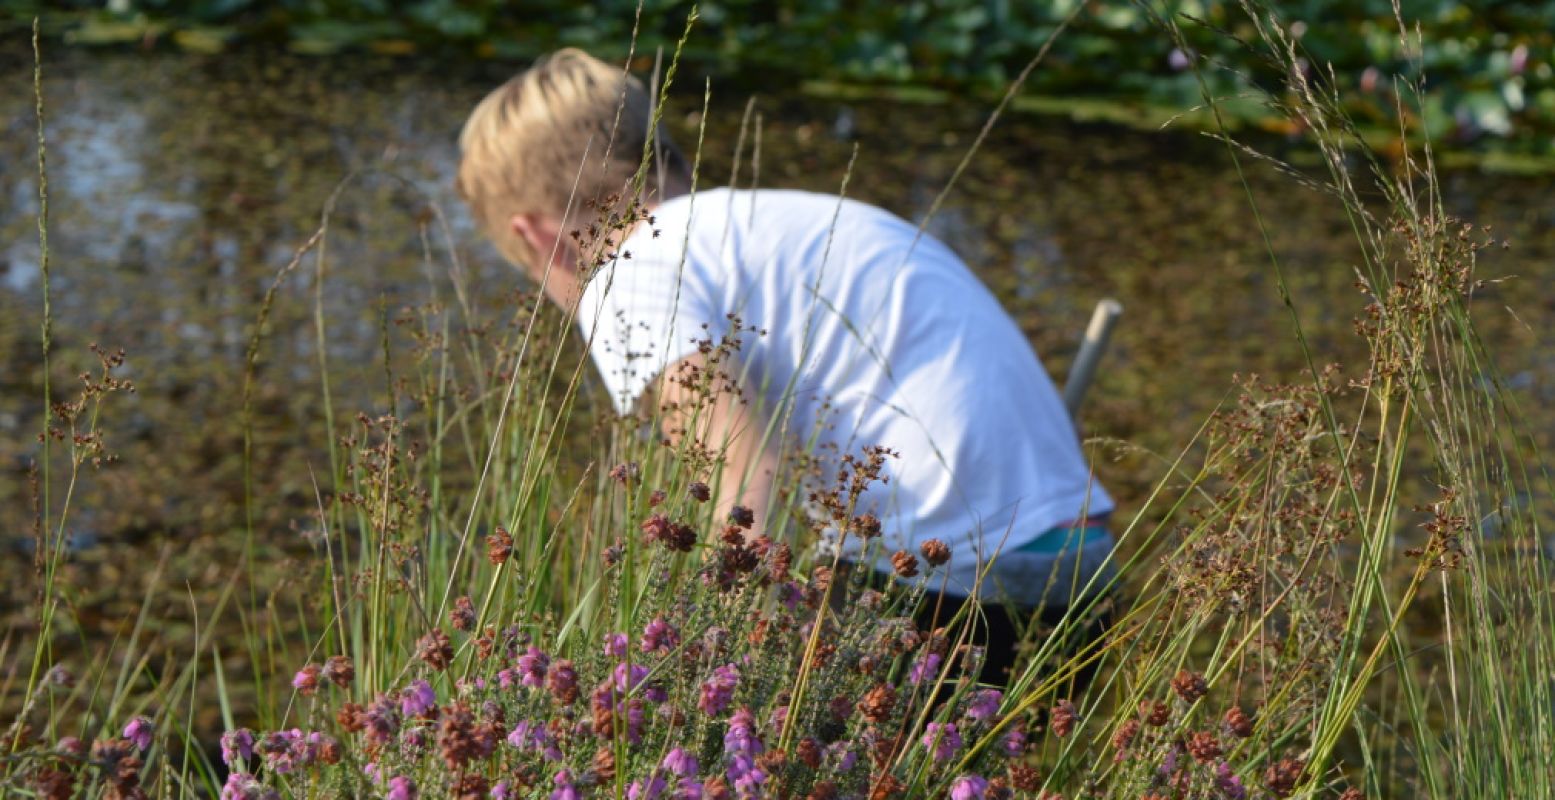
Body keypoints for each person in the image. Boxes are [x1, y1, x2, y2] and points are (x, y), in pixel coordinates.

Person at [456, 49, 1115, 684]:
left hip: (955, 590)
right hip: (1082, 567)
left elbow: (741, 479)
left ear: (536, 238)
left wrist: (709, 662)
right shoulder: (788, 219)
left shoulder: (630, 271)